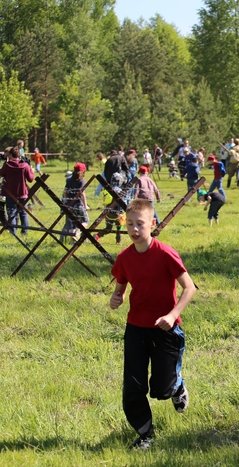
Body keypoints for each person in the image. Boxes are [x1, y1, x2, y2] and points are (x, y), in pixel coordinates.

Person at [109, 199, 196, 449]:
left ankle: (177, 386)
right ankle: (145, 434)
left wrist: (172, 314)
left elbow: (189, 288)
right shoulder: (125, 257)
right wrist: (117, 297)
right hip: (136, 327)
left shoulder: (165, 253)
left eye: (141, 224)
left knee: (161, 388)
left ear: (152, 224)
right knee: (133, 386)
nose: (135, 230)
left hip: (166, 329)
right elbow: (121, 285)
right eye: (131, 224)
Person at [0, 146, 35, 235]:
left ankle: (13, 233)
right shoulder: (25, 165)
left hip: (10, 193)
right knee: (23, 213)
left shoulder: (7, 165)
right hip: (23, 193)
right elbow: (31, 179)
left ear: (11, 154)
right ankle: (24, 232)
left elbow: (1, 174)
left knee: (11, 214)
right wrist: (31, 169)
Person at [60, 162, 89, 243]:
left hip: (69, 205)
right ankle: (77, 233)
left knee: (72, 222)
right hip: (78, 204)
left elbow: (65, 192)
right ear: (83, 171)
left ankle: (67, 240)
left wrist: (66, 201)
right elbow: (82, 194)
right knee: (85, 221)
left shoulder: (68, 180)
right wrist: (85, 206)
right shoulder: (82, 181)